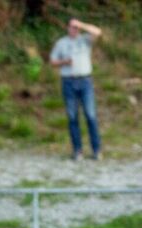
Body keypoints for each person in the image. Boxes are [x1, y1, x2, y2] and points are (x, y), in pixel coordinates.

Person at [49, 18, 102, 160]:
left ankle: (96, 150)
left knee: (90, 115)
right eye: (72, 27)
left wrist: (82, 24)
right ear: (67, 28)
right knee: (72, 117)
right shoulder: (61, 43)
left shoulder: (85, 40)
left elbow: (98, 32)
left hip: (85, 81)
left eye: (76, 27)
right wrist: (64, 62)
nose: (74, 29)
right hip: (68, 81)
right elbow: (52, 61)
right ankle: (77, 150)